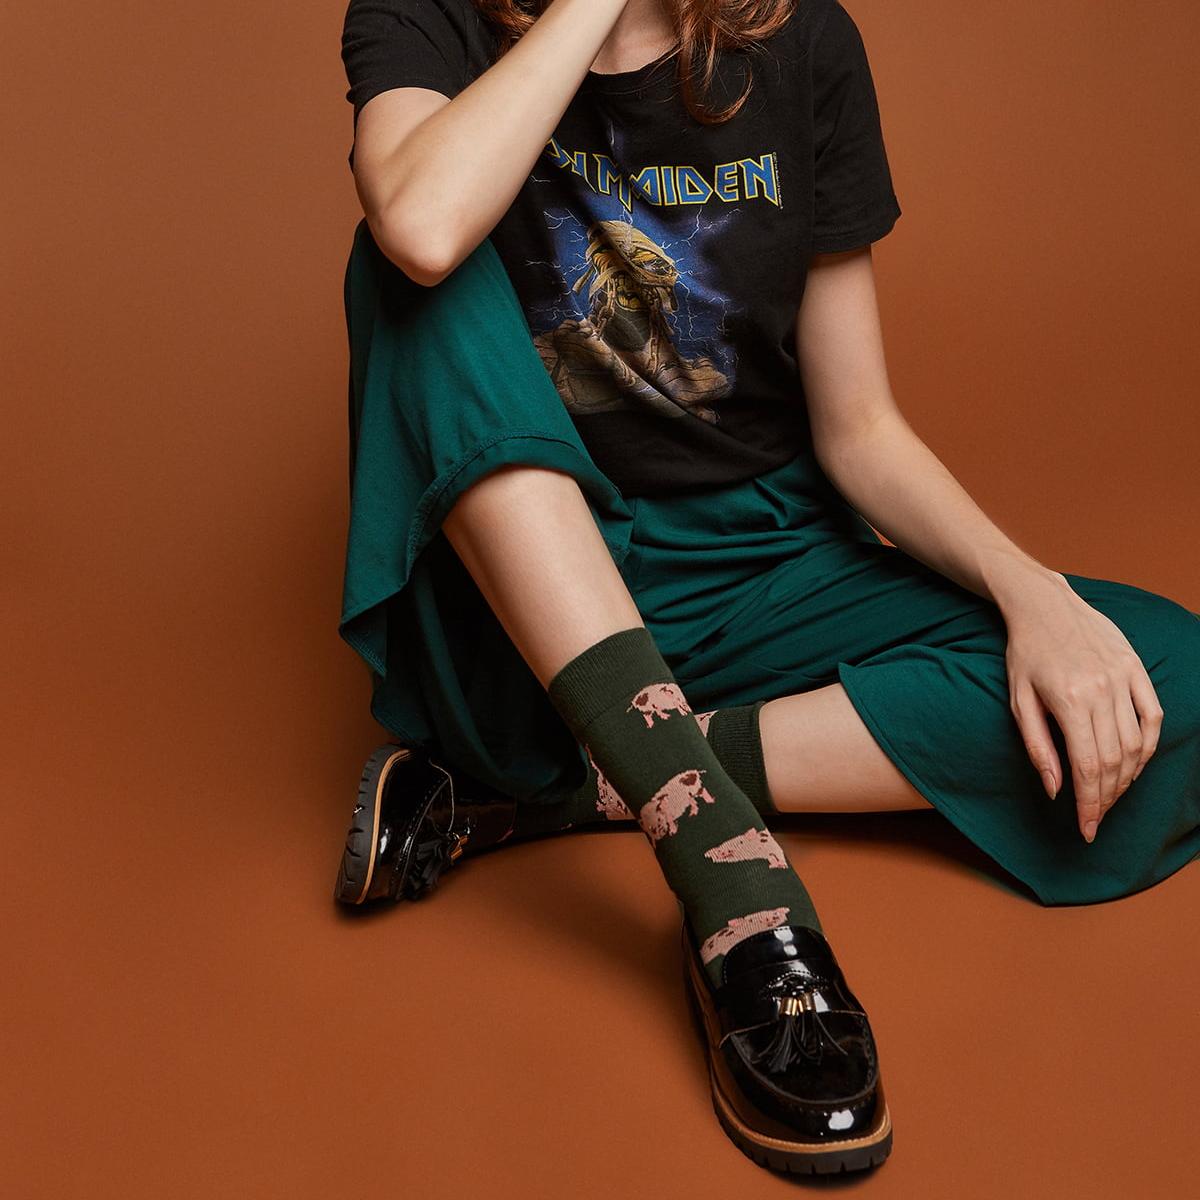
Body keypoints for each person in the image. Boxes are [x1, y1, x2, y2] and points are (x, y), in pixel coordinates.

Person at [331, 0, 1200, 1176]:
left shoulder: (802, 41)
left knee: (1163, 676)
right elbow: (423, 225)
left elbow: (859, 426)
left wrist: (1029, 589)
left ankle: (581, 787)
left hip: (755, 570)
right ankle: (736, 886)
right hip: (523, 591)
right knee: (399, 270)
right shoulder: (427, 15)